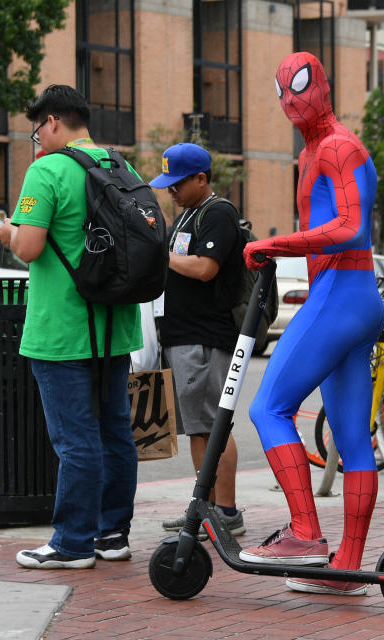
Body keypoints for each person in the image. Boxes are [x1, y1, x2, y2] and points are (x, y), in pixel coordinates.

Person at [239, 52, 384, 597]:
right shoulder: (315, 152)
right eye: (281, 90)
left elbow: (349, 227)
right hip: (350, 296)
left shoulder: (339, 148)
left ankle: (304, 533)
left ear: (323, 86)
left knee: (267, 407)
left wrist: (273, 244)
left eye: (300, 85)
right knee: (352, 439)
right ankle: (345, 566)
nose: (290, 99)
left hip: (341, 292)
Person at [0, 84, 142, 570]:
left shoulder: (47, 170)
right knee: (115, 433)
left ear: (52, 121)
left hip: (61, 331)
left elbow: (29, 247)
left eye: (37, 132)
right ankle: (111, 534)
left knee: (75, 439)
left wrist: (6, 231)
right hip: (115, 326)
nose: (36, 142)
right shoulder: (122, 165)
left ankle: (72, 543)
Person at [151, 143, 247, 539]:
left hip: (205, 338)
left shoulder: (218, 213)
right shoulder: (188, 215)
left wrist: (159, 256)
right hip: (184, 336)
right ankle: (204, 509)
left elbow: (206, 268)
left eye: (177, 183)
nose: (170, 191)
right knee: (199, 427)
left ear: (201, 178)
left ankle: (224, 512)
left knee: (211, 425)